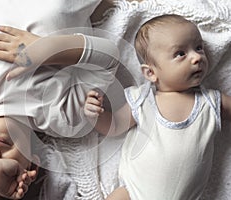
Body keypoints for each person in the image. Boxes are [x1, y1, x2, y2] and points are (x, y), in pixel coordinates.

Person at [0, 0, 120, 199]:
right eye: (3, 169)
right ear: (31, 164)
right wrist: (49, 49)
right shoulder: (64, 119)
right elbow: (109, 57)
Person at [84, 14, 231, 200]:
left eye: (199, 48)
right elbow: (113, 126)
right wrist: (96, 115)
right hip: (133, 193)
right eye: (180, 54)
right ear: (151, 73)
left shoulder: (211, 102)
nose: (197, 57)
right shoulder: (143, 99)